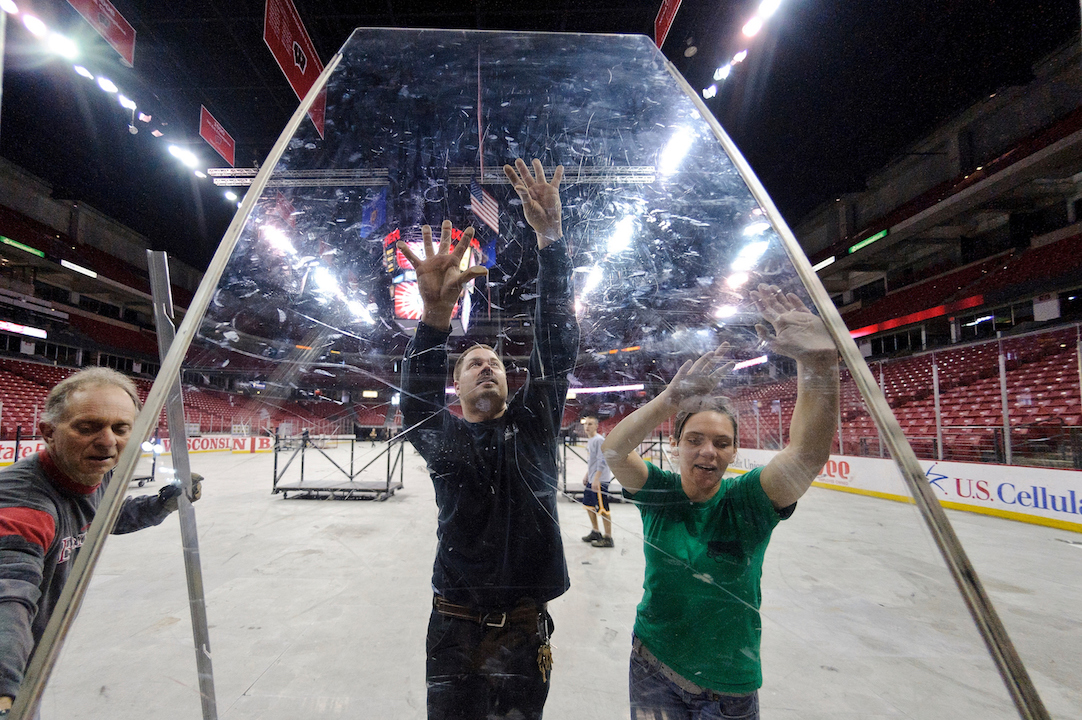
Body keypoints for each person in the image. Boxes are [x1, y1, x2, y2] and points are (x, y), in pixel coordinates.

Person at [602, 285, 839, 720]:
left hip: (729, 687)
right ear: (675, 448)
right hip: (653, 665)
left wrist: (818, 362)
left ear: (733, 453)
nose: (707, 451)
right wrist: (669, 401)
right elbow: (615, 451)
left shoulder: (749, 499)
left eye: (721, 443)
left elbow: (807, 453)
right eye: (694, 440)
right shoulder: (661, 494)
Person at [398, 158, 578, 720]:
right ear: (455, 385)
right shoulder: (444, 439)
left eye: (495, 362)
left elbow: (557, 347)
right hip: (452, 629)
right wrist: (433, 318)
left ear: (509, 379)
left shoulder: (534, 424)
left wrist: (551, 241)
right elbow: (414, 406)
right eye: (472, 362)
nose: (485, 367)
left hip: (523, 634)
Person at [0, 368, 201, 714]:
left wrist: (164, 503)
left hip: (32, 656)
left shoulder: (96, 473)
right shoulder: (25, 506)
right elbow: (9, 593)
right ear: (47, 432)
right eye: (87, 427)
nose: (108, 441)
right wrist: (4, 691)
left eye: (121, 428)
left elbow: (109, 517)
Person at [579, 415, 614, 548]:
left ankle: (608, 537)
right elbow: (592, 461)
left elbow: (602, 460)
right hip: (592, 478)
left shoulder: (599, 440)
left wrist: (597, 479)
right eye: (586, 424)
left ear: (596, 426)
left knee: (603, 508)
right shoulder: (591, 440)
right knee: (589, 505)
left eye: (590, 424)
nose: (587, 427)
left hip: (599, 480)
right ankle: (596, 531)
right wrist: (587, 475)